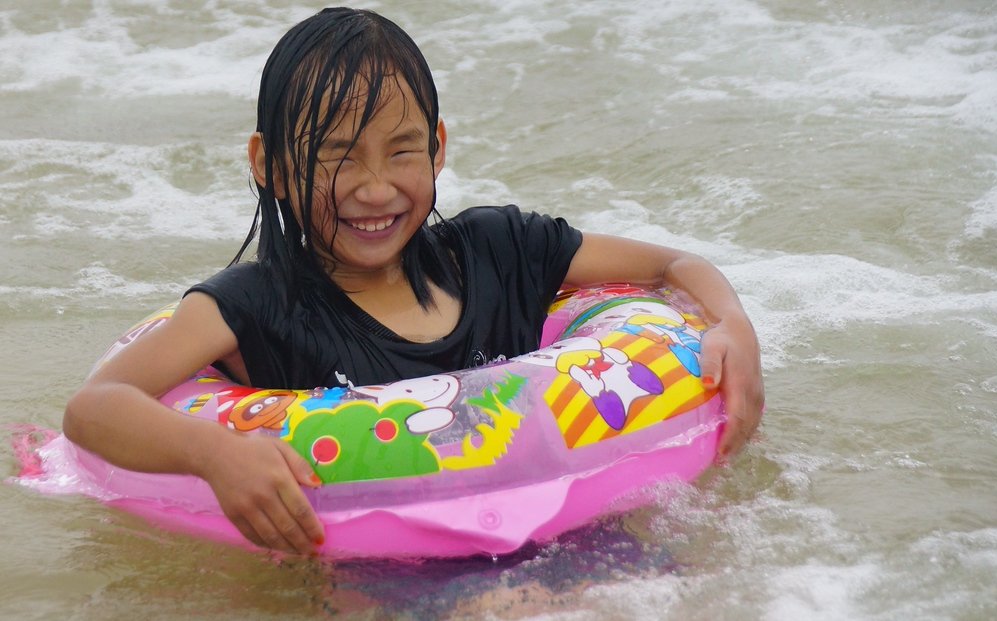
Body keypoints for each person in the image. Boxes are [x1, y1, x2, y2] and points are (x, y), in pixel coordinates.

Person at [63, 8, 764, 556]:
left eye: (401, 151)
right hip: (384, 573)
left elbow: (672, 266)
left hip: (572, 532)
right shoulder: (258, 304)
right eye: (337, 157)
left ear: (438, 147)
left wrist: (732, 323)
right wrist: (215, 452)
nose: (375, 188)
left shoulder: (499, 251)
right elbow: (95, 406)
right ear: (269, 163)